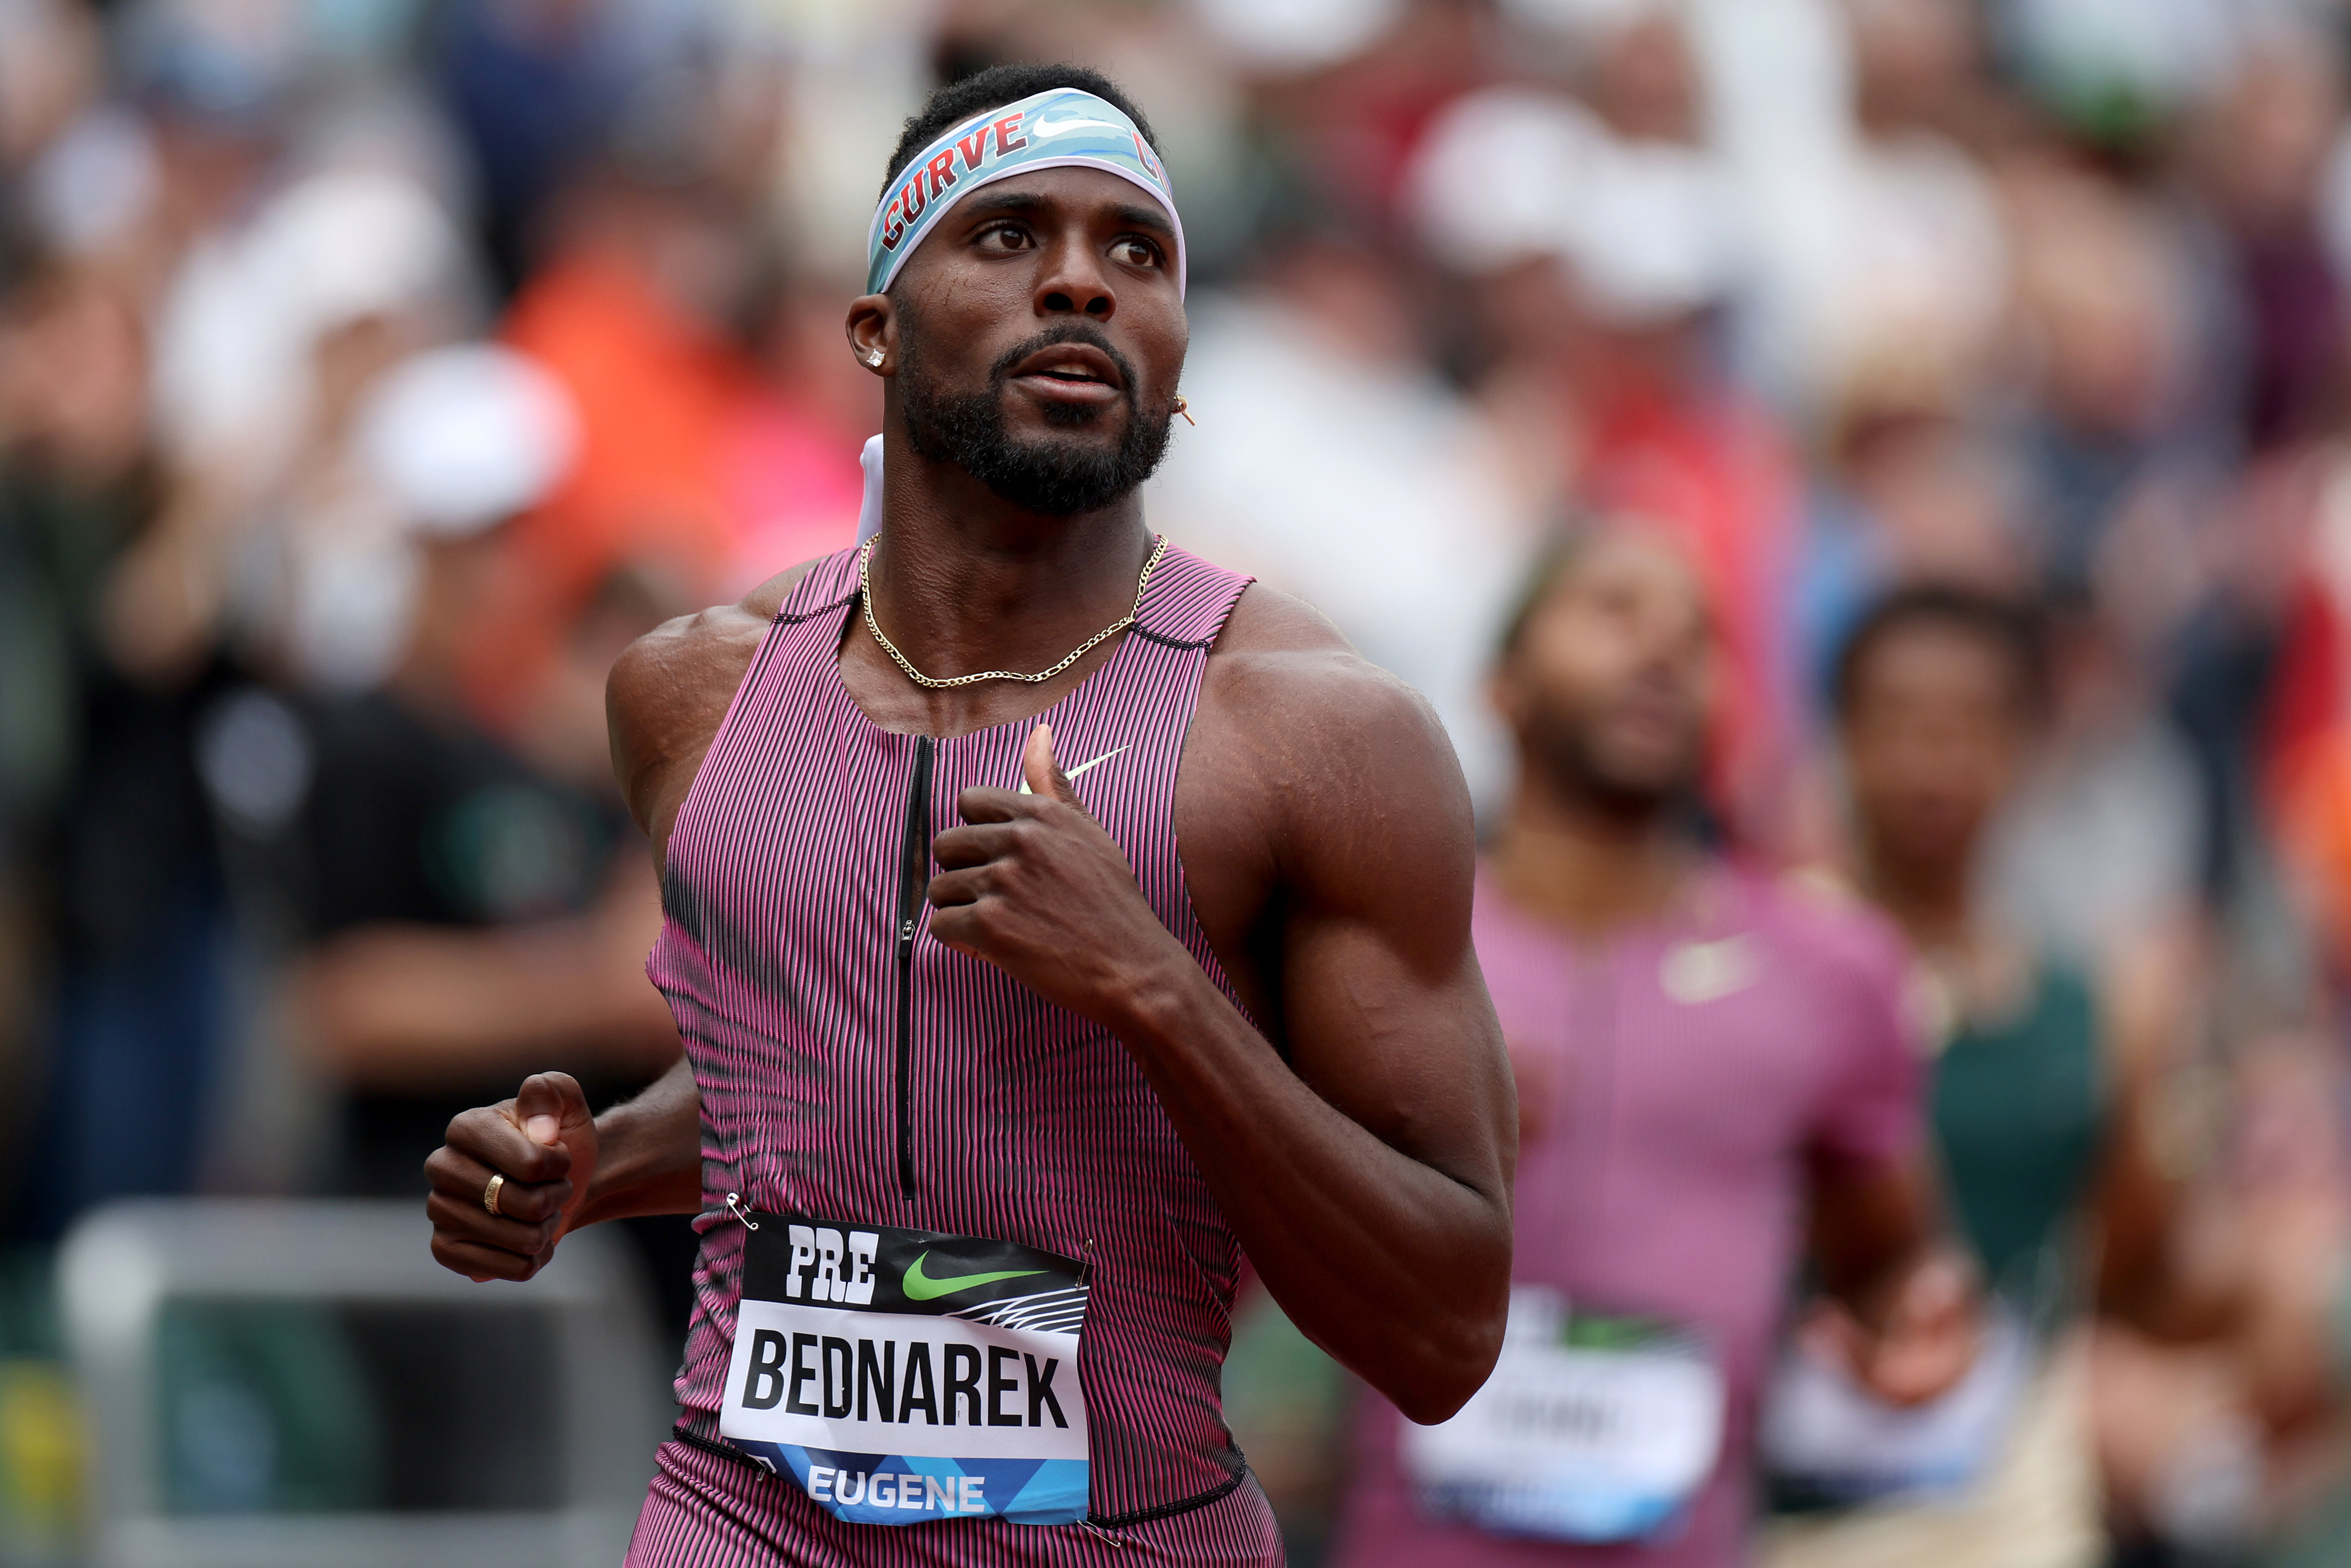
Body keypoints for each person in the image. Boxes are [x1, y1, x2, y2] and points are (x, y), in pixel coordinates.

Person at [421, 61, 1516, 1565]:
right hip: (740, 1518)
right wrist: (587, 1166)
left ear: (1178, 361)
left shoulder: (1315, 734)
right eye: (1007, 236)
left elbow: (1444, 1329)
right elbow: (806, 1078)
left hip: (1125, 1534)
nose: (1080, 282)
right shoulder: (688, 696)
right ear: (874, 324)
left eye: (1136, 255)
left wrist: (1151, 987)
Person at [1332, 524, 1978, 1568]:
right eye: (1613, 611)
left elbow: (1893, 1256)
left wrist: (1916, 1317)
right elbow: (1220, 1261)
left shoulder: (1833, 968)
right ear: (1503, 684)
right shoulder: (1377, 953)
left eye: (1700, 634)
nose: (1663, 651)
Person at [1759, 586, 2238, 1568]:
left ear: (2027, 750)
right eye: (1899, 723)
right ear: (1841, 737)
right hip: (1785, 1515)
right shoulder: (1763, 970)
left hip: (2012, 1516)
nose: (1934, 762)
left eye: (1970, 727)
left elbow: (2134, 1262)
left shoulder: (2091, 1012)